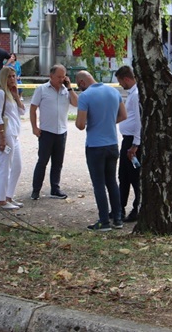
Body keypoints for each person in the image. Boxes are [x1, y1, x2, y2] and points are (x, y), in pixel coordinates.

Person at [75, 70, 127, 232]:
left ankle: (104, 221)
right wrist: (109, 122)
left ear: (82, 83)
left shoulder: (85, 96)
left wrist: (92, 122)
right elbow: (123, 115)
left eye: (78, 86)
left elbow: (80, 124)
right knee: (112, 182)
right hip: (112, 144)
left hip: (95, 146)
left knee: (99, 184)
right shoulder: (113, 91)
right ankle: (118, 218)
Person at [29, 64, 78, 200]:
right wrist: (34, 127)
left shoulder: (66, 90)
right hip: (46, 131)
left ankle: (55, 189)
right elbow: (33, 109)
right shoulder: (42, 89)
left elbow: (76, 103)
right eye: (59, 77)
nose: (61, 79)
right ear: (51, 76)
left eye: (63, 76)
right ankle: (36, 190)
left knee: (58, 162)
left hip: (61, 131)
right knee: (42, 161)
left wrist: (69, 87)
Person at [0, 66, 25, 209]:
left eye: (14, 76)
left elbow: (22, 111)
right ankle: (1, 200)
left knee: (17, 166)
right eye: (9, 76)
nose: (12, 79)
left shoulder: (11, 93)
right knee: (5, 166)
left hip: (15, 134)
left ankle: (8, 196)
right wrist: (2, 137)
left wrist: (17, 96)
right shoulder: (0, 93)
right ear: (3, 78)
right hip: (7, 134)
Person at [115, 65, 141, 223]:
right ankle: (120, 207)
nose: (120, 85)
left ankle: (137, 208)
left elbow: (139, 122)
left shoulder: (136, 94)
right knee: (123, 176)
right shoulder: (132, 93)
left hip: (133, 141)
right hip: (128, 139)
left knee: (134, 177)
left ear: (126, 79)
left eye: (120, 81)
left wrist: (135, 145)